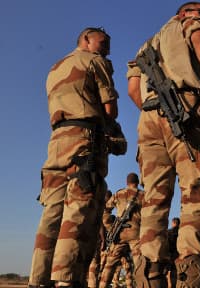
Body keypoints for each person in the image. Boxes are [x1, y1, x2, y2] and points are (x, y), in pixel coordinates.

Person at [126, 2, 200, 287]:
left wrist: (152, 111)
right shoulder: (189, 25)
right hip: (183, 109)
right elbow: (199, 38)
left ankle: (148, 275)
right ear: (186, 13)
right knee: (197, 192)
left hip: (148, 118)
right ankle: (189, 274)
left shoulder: (146, 45)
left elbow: (132, 89)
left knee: (153, 199)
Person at [29, 27, 119, 288]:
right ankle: (66, 280)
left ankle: (38, 279)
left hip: (57, 141)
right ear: (86, 40)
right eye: (103, 43)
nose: (107, 49)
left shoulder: (55, 68)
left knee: (52, 214)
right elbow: (110, 110)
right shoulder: (95, 62)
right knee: (78, 211)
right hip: (84, 140)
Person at [98, 173, 144, 288]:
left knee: (110, 265)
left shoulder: (119, 194)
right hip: (136, 232)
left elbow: (105, 211)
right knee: (140, 264)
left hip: (119, 233)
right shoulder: (143, 195)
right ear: (137, 182)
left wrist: (109, 226)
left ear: (126, 182)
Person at [166, 218, 180, 288]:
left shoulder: (168, 232)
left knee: (169, 274)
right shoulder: (182, 233)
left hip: (170, 256)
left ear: (173, 223)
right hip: (180, 256)